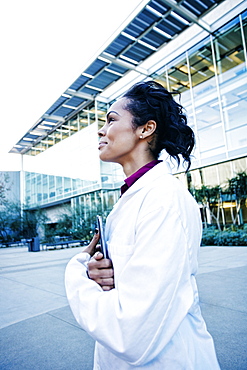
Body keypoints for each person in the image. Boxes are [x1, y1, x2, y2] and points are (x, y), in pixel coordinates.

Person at [65, 81, 220, 369]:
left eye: (111, 120)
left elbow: (130, 335)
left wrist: (76, 271)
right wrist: (96, 271)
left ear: (145, 129)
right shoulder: (133, 198)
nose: (101, 130)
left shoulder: (163, 201)